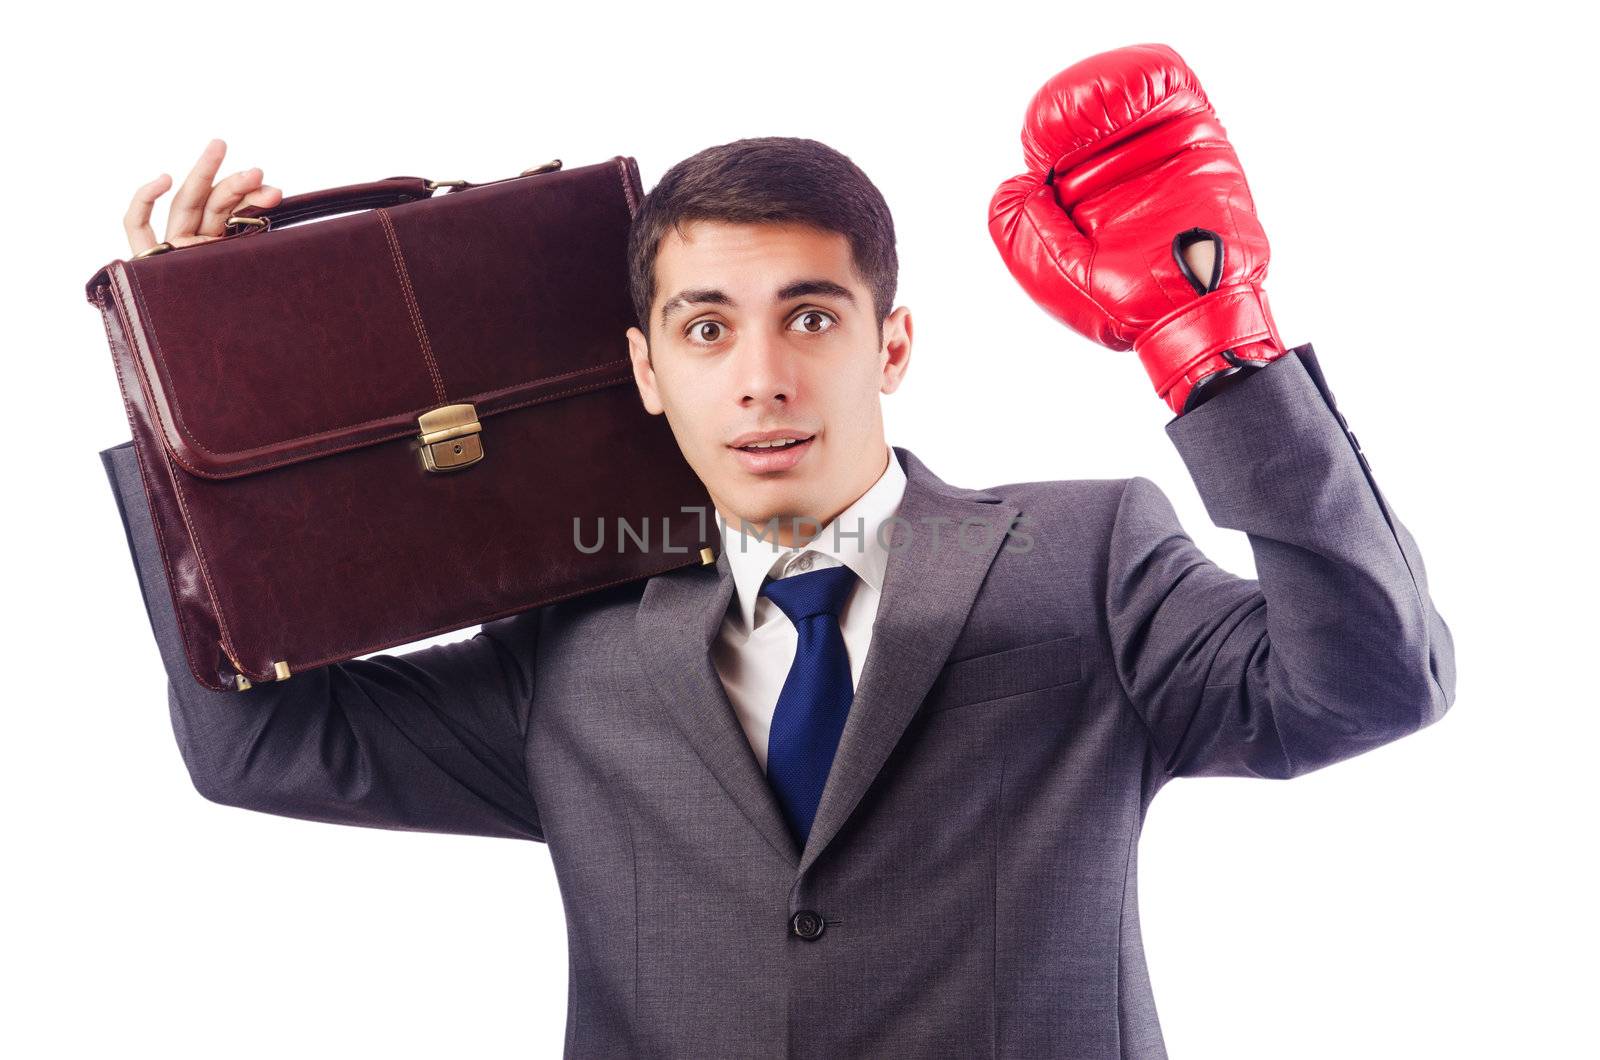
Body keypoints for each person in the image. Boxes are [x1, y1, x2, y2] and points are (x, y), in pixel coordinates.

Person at [106, 44, 1455, 1059]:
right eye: (705, 329)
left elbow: (1370, 686)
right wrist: (203, 386)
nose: (759, 379)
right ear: (643, 369)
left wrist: (1217, 346)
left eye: (810, 319)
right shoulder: (576, 630)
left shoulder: (1084, 555)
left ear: (894, 344)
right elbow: (259, 745)